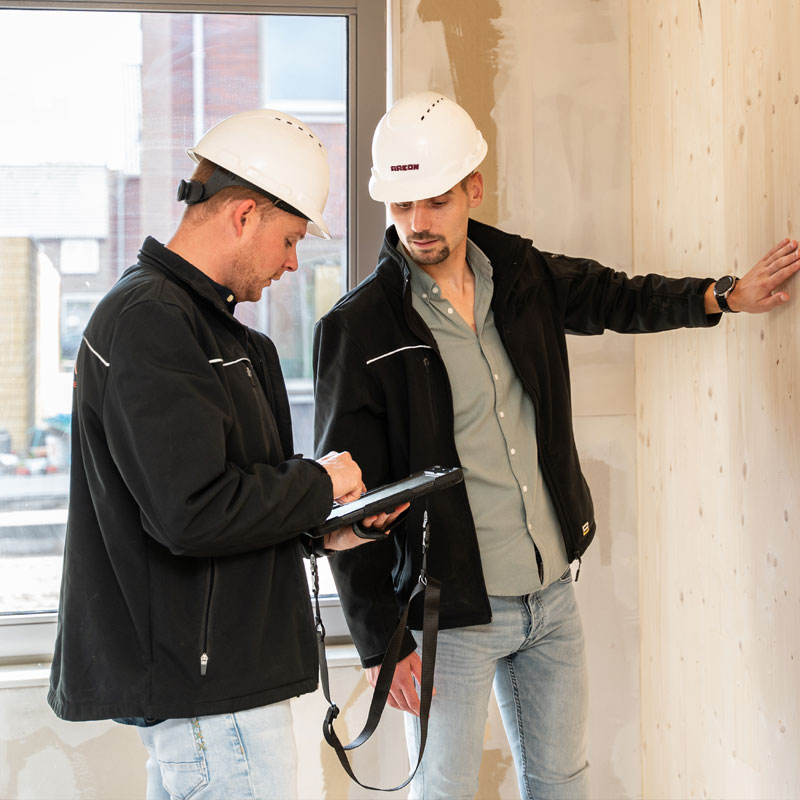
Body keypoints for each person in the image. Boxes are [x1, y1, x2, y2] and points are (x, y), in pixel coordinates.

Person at [312, 91, 800, 800]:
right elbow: (347, 500)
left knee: (563, 784)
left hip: (550, 595)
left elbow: (614, 297)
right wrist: (379, 640)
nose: (418, 223)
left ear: (473, 189)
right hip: (450, 613)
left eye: (436, 201)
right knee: (443, 791)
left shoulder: (520, 275)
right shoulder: (360, 327)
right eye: (402, 205)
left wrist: (723, 295)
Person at [47, 108, 405, 800]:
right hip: (213, 690)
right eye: (290, 239)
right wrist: (319, 482)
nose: (295, 262)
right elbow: (192, 514)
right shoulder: (150, 323)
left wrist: (338, 525)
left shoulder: (229, 341)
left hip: (232, 682)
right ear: (244, 216)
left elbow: (241, 506)